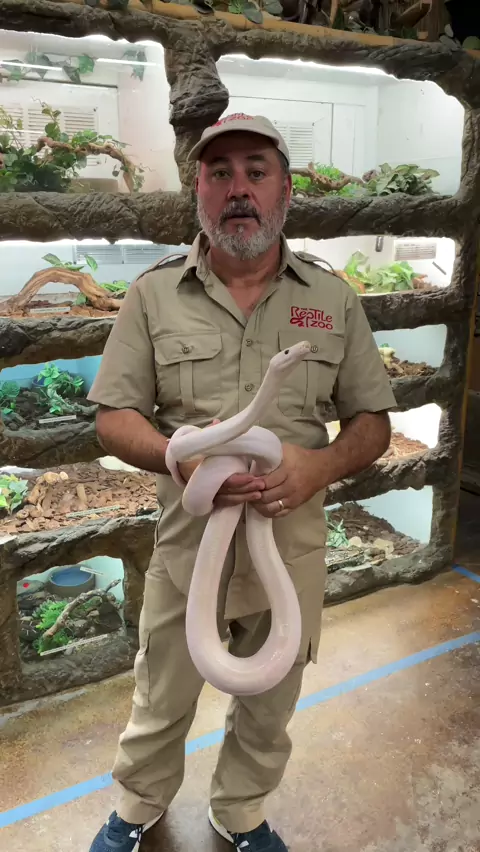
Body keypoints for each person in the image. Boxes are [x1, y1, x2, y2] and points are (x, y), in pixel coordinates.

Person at [87, 113, 396, 852]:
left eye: (256, 172)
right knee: (163, 692)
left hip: (291, 548)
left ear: (285, 190)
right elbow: (114, 417)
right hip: (188, 546)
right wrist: (181, 459)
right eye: (219, 173)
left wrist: (319, 466)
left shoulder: (332, 297)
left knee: (270, 702)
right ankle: (137, 805)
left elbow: (373, 423)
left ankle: (242, 812)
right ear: (198, 190)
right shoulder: (153, 294)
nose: (238, 189)